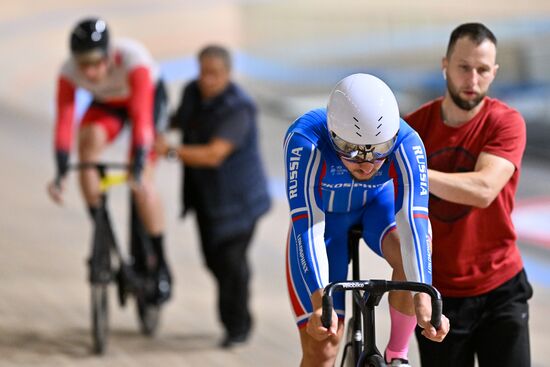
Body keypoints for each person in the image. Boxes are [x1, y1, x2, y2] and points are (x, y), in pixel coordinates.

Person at [284, 73, 449, 367]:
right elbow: (307, 225)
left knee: (407, 253)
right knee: (323, 347)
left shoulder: (408, 143)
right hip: (324, 222)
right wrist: (321, 299)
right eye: (351, 151)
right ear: (333, 134)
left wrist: (423, 299)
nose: (367, 164)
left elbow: (415, 223)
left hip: (375, 207)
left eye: (379, 150)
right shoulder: (305, 140)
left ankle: (397, 354)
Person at [405, 23, 532, 367]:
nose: (472, 80)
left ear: (495, 72)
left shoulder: (505, 123)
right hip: (439, 293)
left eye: (482, 70)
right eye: (463, 67)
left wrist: (414, 172)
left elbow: (484, 189)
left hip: (500, 287)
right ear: (444, 63)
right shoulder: (414, 130)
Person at [47, 17, 172, 304]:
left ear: (109, 54)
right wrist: (60, 169)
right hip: (108, 105)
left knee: (142, 180)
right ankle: (99, 221)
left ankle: (161, 263)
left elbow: (142, 118)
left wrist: (140, 161)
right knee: (87, 146)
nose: (89, 72)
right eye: (83, 64)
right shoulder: (68, 72)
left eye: (95, 63)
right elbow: (65, 123)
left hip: (146, 101)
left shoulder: (133, 59)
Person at [155, 45, 271, 348]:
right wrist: (153, 124)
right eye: (203, 72)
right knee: (213, 260)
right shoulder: (193, 92)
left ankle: (237, 326)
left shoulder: (239, 107)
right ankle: (235, 316)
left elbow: (213, 154)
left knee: (231, 263)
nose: (207, 80)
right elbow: (180, 119)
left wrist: (168, 150)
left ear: (228, 74)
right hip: (206, 198)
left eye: (214, 74)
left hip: (241, 202)